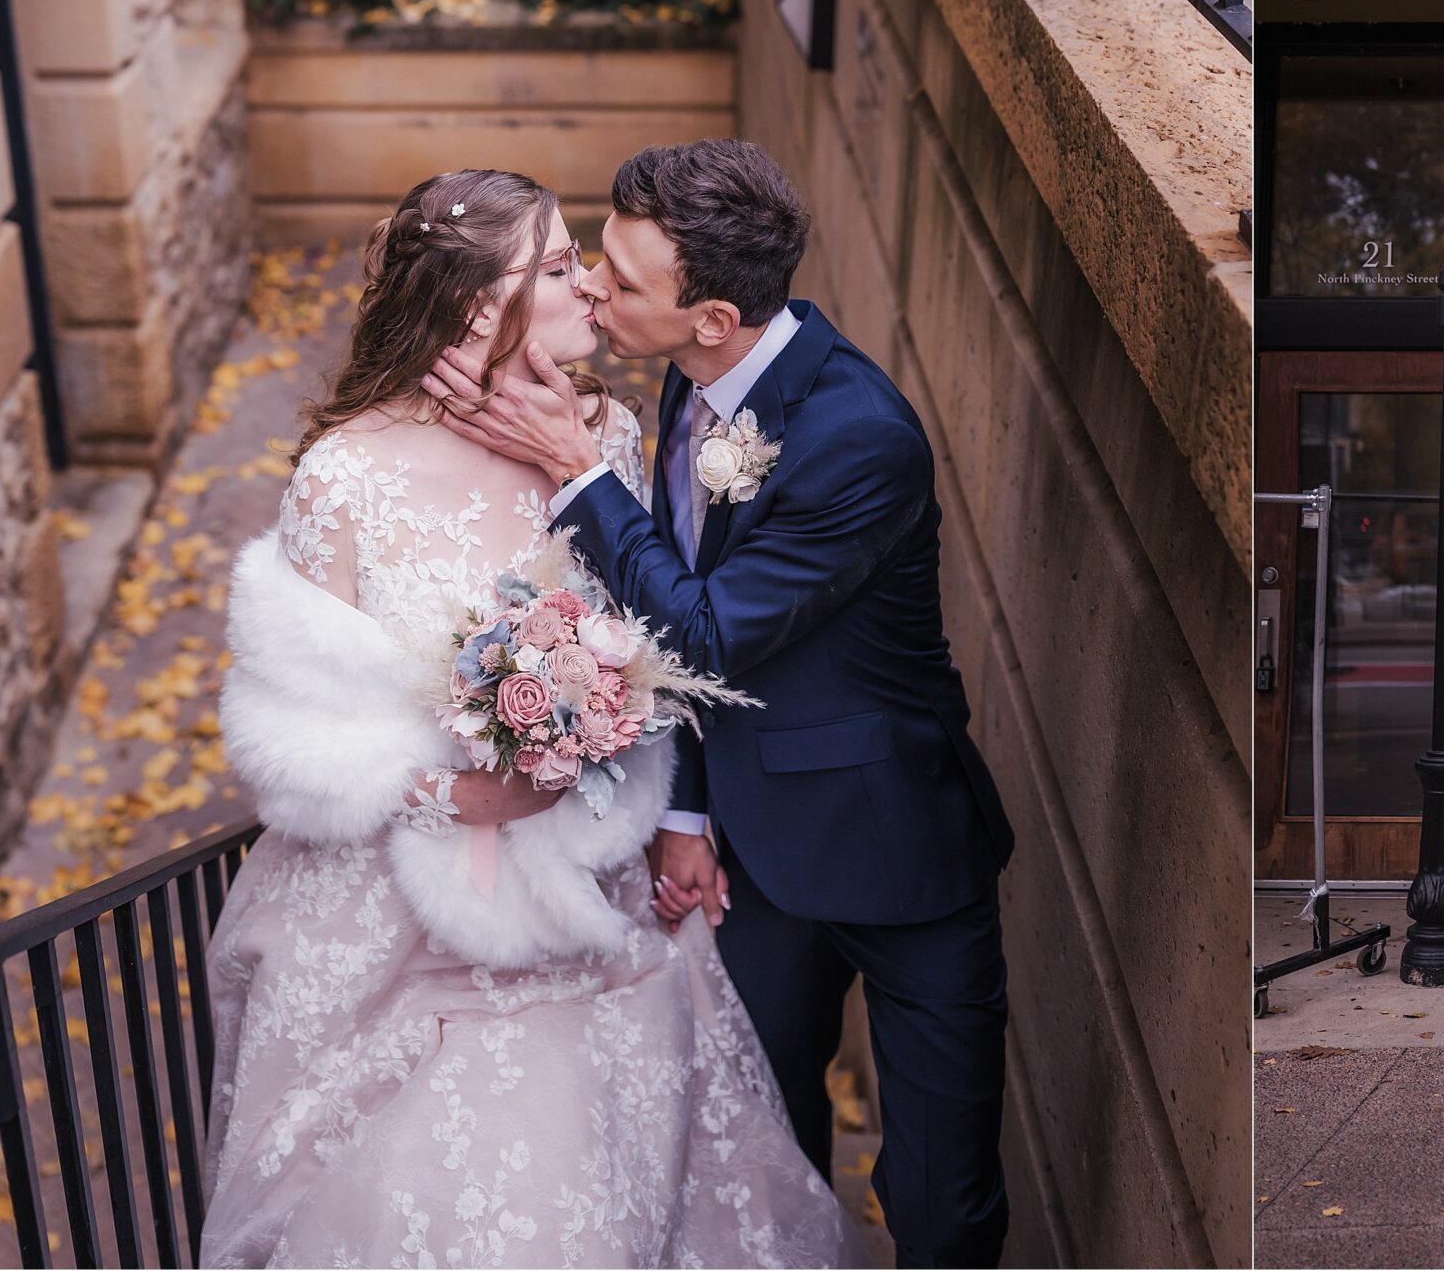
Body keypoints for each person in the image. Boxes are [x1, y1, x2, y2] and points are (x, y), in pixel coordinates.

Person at [204, 169, 852, 1269]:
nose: (592, 289)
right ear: (472, 304)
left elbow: (657, 641)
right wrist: (455, 792)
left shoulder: (606, 428)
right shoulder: (342, 475)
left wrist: (640, 773)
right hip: (399, 918)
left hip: (590, 886)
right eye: (558, 269)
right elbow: (291, 730)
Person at [428, 139, 1016, 1270]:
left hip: (900, 856)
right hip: (750, 859)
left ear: (711, 317)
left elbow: (699, 631)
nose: (592, 287)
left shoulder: (859, 439)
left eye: (622, 281)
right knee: (768, 1158)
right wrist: (687, 813)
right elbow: (695, 664)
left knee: (942, 1202)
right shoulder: (691, 376)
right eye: (596, 260)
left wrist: (577, 473)